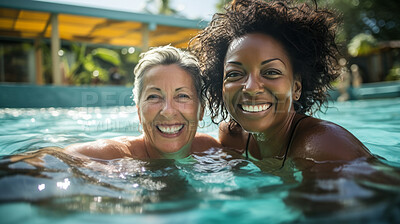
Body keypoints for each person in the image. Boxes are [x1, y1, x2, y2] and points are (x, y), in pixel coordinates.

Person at [189, 0, 373, 167]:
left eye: (271, 72)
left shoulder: (322, 147)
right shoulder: (232, 138)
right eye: (235, 74)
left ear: (297, 87)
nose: (251, 87)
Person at [65, 45, 220, 160]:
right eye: (153, 97)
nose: (168, 111)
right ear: (139, 112)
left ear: (201, 110)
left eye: (182, 96)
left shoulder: (209, 150)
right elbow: (51, 160)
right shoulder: (115, 156)